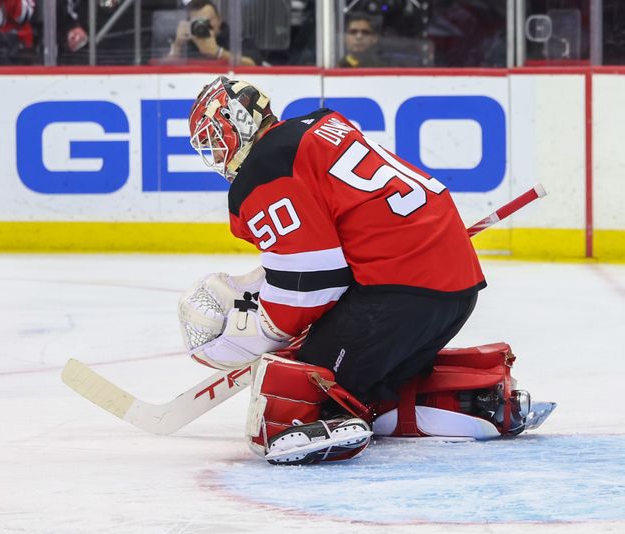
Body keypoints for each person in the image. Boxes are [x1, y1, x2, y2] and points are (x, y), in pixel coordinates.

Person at [177, 76, 528, 465]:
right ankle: (482, 399)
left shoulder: (266, 166)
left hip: (399, 295)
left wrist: (260, 332)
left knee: (287, 396)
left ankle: (328, 414)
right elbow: (327, 251)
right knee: (370, 390)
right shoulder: (319, 126)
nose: (216, 153)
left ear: (237, 121)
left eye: (215, 138)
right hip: (453, 291)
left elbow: (311, 285)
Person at [165, 0, 262, 66]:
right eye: (197, 22)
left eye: (207, 21)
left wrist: (218, 52)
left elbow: (254, 64)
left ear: (219, 19)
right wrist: (177, 46)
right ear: (188, 23)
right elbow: (160, 68)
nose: (203, 26)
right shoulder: (185, 40)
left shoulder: (236, 40)